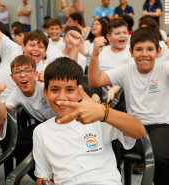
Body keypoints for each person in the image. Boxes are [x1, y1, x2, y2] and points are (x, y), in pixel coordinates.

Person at [33, 57, 145, 185]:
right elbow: (42, 178)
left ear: (80, 93)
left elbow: (139, 131)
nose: (62, 97)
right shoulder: (41, 132)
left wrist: (104, 113)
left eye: (69, 89)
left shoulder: (97, 118)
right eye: (55, 90)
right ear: (45, 93)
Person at [88, 27, 169, 185]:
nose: (144, 54)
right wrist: (95, 54)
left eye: (150, 49)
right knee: (103, 150)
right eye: (139, 49)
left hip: (159, 125)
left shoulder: (164, 68)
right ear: (131, 52)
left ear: (158, 52)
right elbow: (95, 81)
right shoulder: (126, 70)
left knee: (160, 158)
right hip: (131, 125)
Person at [0, 0, 48, 103]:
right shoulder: (12, 49)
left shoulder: (43, 71)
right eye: (32, 45)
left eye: (40, 47)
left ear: (45, 52)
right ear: (23, 46)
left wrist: (47, 80)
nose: (36, 49)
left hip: (13, 110)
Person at [91, 18, 132, 103]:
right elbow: (94, 76)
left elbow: (129, 77)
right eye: (117, 33)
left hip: (123, 91)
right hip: (102, 89)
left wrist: (113, 90)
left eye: (125, 33)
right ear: (108, 37)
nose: (122, 36)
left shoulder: (131, 52)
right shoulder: (101, 51)